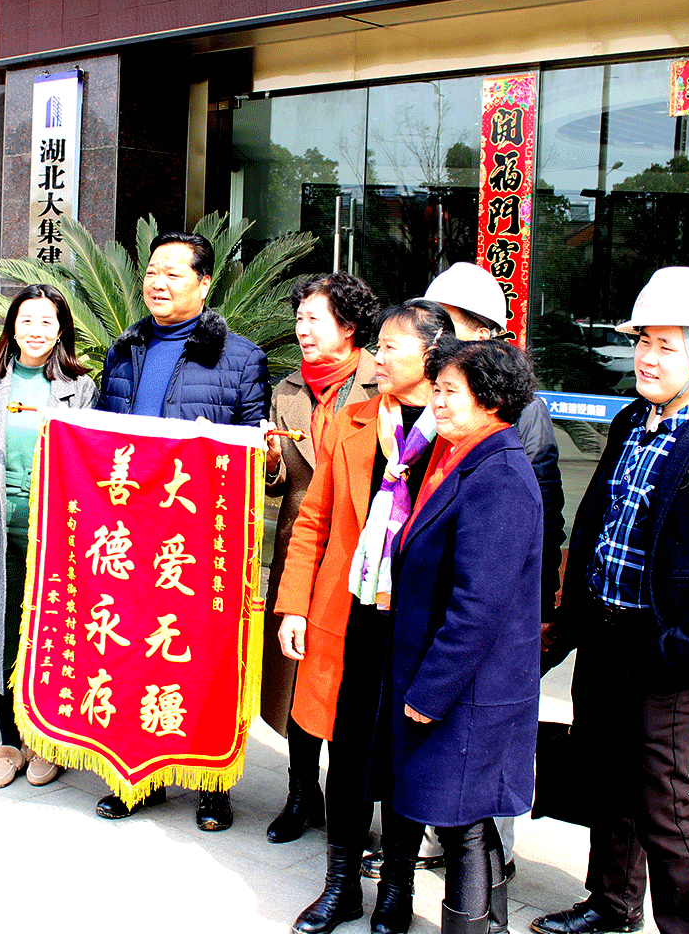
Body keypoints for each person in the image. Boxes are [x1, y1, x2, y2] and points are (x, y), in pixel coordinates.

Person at [533, 266, 689, 934]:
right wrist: (566, 626)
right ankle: (611, 906)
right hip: (604, 636)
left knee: (663, 805)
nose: (646, 356)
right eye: (643, 341)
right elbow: (597, 528)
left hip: (664, 652)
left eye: (667, 345)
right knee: (607, 781)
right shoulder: (630, 423)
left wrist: (674, 652)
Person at [275, 300, 455, 934]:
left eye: (390, 347)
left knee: (408, 756)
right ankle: (341, 886)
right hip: (347, 614)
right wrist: (294, 606)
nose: (376, 357)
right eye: (375, 345)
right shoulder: (355, 422)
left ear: (430, 358)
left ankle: (398, 887)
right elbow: (313, 521)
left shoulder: (458, 434)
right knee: (347, 755)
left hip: (420, 624)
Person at [93, 229, 270, 830]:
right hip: (131, 536)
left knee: (202, 658)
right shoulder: (124, 349)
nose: (158, 283)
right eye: (152, 271)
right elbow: (102, 435)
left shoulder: (241, 357)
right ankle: (136, 777)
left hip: (200, 541)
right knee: (132, 654)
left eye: (173, 273)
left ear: (204, 283)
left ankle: (211, 783)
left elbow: (256, 452)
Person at [388, 336, 543, 934]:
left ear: (492, 400)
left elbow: (479, 604)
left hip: (469, 688)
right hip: (458, 681)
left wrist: (431, 691)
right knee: (465, 817)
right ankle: (491, 925)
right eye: (437, 389)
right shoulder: (464, 458)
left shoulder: (500, 475)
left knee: (462, 822)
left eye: (451, 391)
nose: (438, 402)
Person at [418, 260, 566, 881]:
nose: (434, 335)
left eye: (446, 324)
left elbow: (531, 523)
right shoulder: (438, 402)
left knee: (481, 750)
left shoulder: (510, 422)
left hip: (489, 613)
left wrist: (541, 609)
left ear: (482, 333)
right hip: (443, 604)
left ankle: (486, 872)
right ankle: (447, 844)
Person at [0, 283, 97, 787]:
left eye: (47, 321)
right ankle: (10, 742)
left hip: (54, 538)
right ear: (12, 326)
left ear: (61, 330)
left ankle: (46, 742)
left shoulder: (80, 388)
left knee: (50, 638)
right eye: (26, 319)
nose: (36, 330)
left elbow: (90, 464)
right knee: (2, 638)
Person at [262, 272, 380, 844]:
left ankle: (349, 798)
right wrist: (269, 464)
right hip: (299, 548)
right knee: (295, 677)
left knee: (349, 680)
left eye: (315, 319)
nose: (302, 330)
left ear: (349, 326)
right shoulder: (287, 389)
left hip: (360, 560)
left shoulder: (382, 384)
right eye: (299, 318)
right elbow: (282, 484)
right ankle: (300, 793)